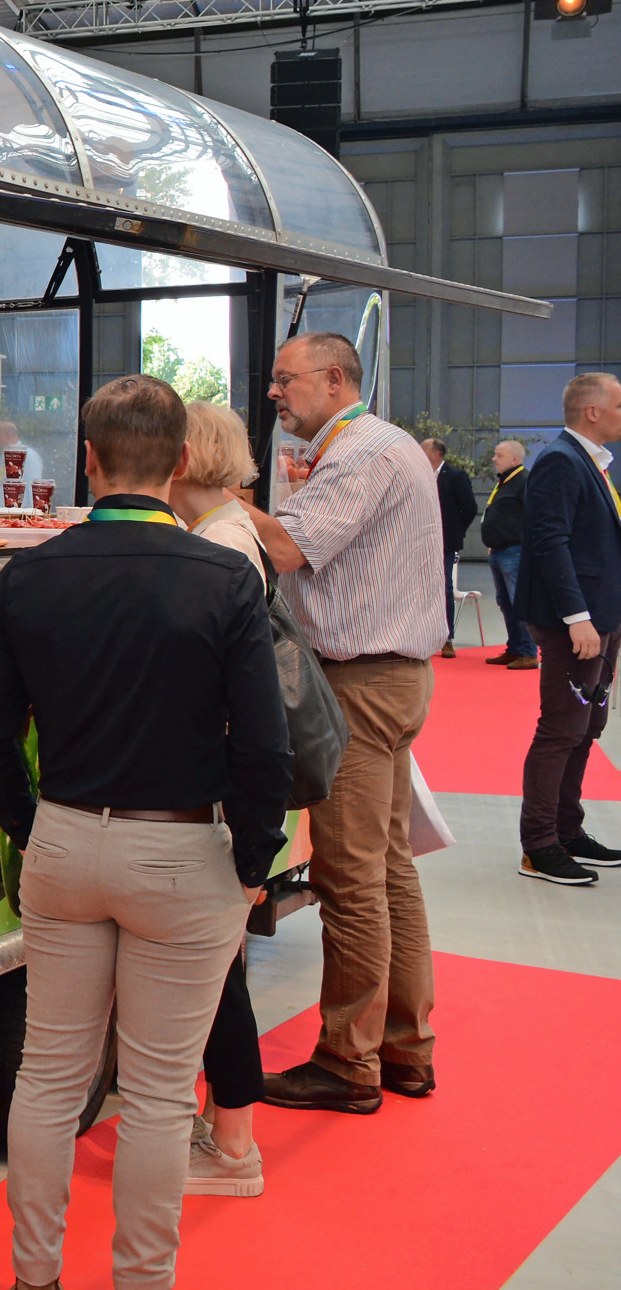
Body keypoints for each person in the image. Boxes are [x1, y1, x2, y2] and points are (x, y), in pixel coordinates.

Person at [0, 374, 289, 1290]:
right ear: (180, 463)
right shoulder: (224, 578)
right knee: (153, 1092)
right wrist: (249, 864)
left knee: (49, 1075)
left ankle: (31, 1287)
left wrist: (31, 824)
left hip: (64, 840)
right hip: (180, 847)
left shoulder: (29, 574)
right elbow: (265, 751)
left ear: (89, 459)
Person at [239, 333, 444, 1112]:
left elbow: (287, 548)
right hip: (392, 678)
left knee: (349, 874)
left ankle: (347, 1060)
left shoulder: (360, 453)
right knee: (389, 865)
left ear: (334, 379)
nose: (274, 392)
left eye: (285, 379)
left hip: (359, 683)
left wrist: (216, 496)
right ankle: (404, 1046)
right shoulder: (377, 448)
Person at [163, 400, 271, 1200]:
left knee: (218, 973)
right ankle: (225, 1127)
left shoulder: (224, 546)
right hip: (225, 786)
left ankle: (235, 1144)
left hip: (219, 790)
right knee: (216, 967)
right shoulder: (221, 534)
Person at [512, 372, 621, 887]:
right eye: (619, 404)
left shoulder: (593, 464)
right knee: (560, 729)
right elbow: (550, 542)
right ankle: (538, 845)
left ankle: (567, 829)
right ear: (592, 412)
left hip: (602, 621)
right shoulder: (561, 460)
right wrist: (578, 618)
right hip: (574, 625)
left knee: (587, 728)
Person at [480, 439, 536, 669]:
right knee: (505, 603)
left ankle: (528, 652)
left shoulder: (524, 481)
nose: (494, 459)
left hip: (516, 552)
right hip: (500, 551)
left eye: (499, 455)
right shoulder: (504, 482)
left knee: (518, 602)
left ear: (515, 459)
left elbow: (533, 516)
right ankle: (515, 648)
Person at [422, 439, 478, 657]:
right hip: (421, 541)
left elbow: (470, 508)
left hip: (445, 542)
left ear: (436, 454)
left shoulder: (455, 476)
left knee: (444, 588)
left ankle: (447, 638)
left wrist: (456, 531)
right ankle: (423, 636)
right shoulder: (419, 474)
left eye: (423, 450)